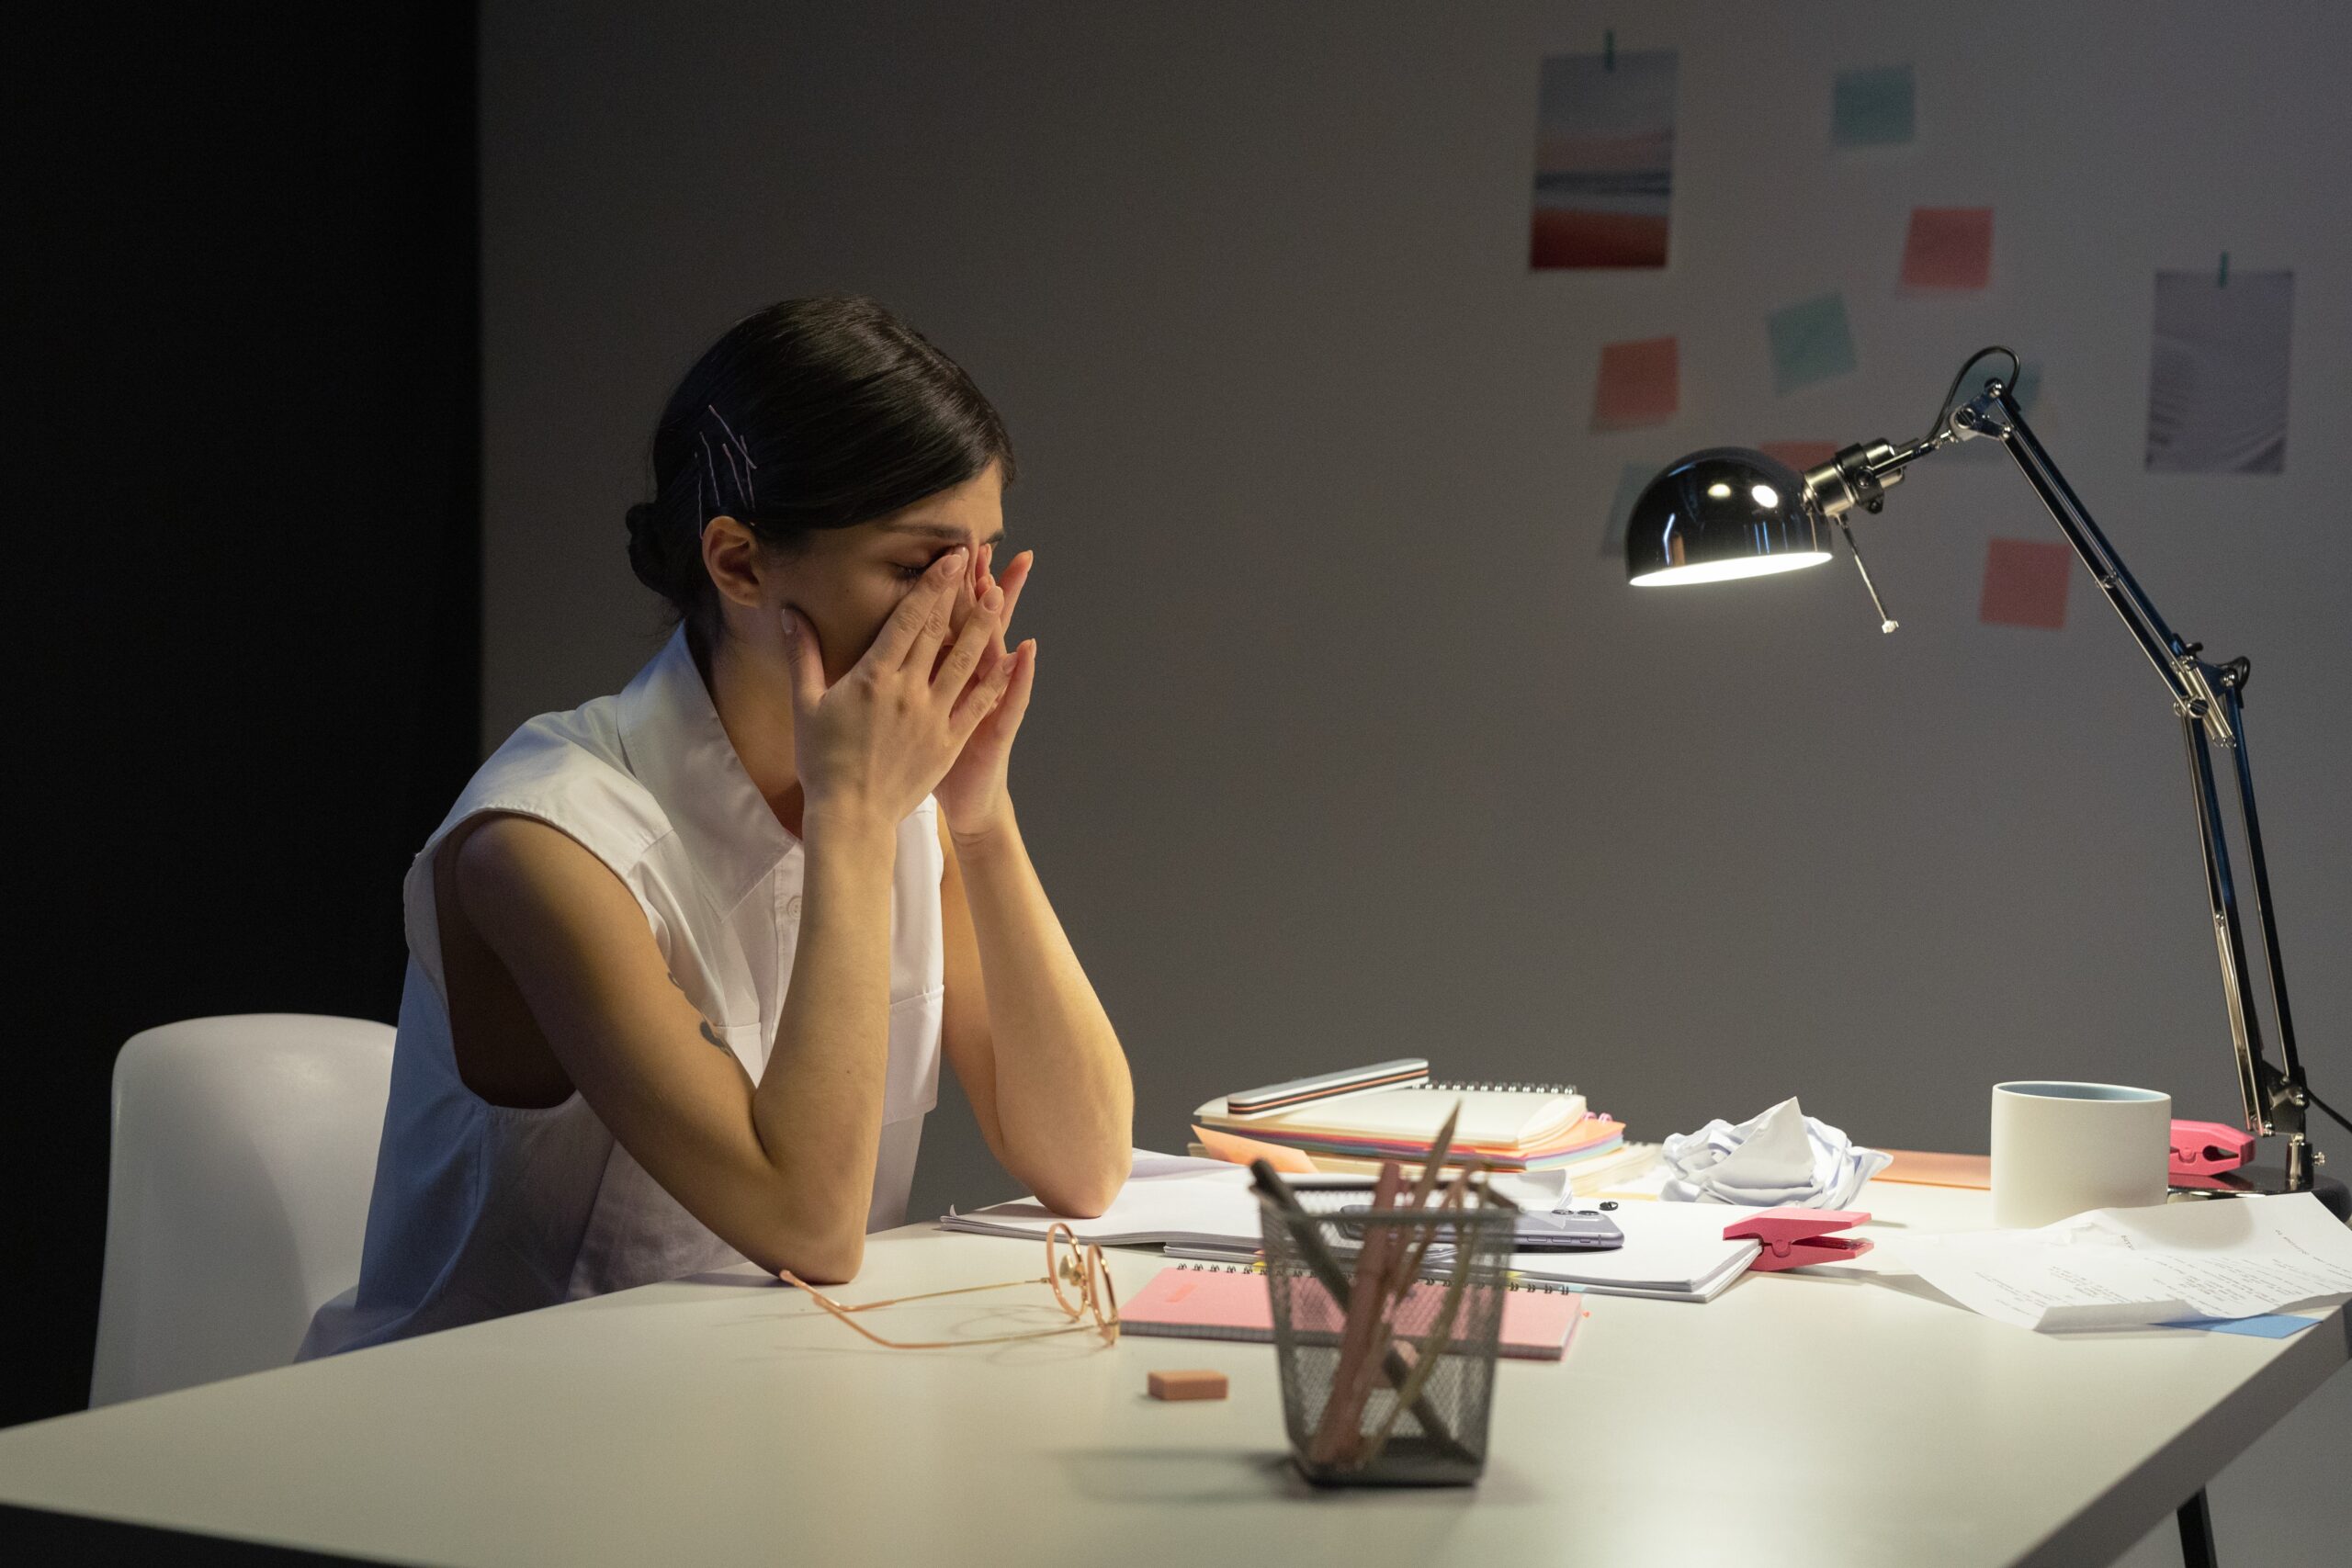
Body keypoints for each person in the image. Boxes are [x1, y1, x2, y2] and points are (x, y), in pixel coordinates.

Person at [300, 295, 1134, 1358]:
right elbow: (810, 1228)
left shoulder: (902, 807)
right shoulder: (544, 840)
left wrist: (980, 815)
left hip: (747, 1419)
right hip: (481, 1452)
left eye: (984, 561)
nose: (967, 612)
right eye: (917, 566)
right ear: (738, 563)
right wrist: (852, 819)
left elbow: (1085, 1159)